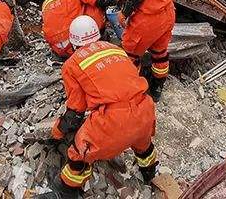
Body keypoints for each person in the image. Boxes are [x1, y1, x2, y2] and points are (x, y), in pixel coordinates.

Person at [50, 16, 158, 198]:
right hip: (144, 110)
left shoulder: (72, 64)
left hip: (113, 122)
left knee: (79, 153)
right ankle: (149, 174)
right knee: (144, 146)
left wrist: (57, 132)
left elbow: (76, 111)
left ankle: (66, 189)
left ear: (73, 42)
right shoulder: (116, 49)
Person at [42, 0, 110, 58]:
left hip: (58, 48)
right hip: (77, 43)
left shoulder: (46, 2)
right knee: (93, 6)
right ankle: (98, 37)